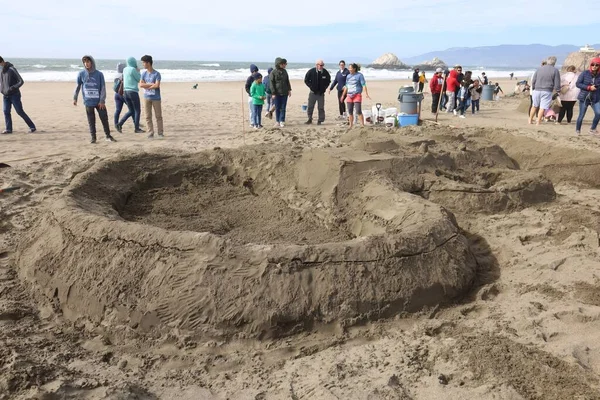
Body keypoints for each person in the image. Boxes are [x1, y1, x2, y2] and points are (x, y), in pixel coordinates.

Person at [73, 55, 116, 143]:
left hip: (99, 102)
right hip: (88, 102)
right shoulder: (81, 74)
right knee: (91, 121)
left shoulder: (99, 74)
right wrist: (75, 98)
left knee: (104, 118)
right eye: (85, 62)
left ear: (92, 62)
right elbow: (78, 86)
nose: (86, 64)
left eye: (88, 62)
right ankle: (93, 138)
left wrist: (102, 101)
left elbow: (103, 87)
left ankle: (108, 136)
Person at [0, 56, 36, 134]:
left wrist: (12, 88)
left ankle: (32, 127)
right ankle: (8, 129)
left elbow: (21, 81)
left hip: (14, 95)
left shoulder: (12, 69)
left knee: (19, 111)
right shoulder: (2, 70)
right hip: (5, 95)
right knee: (6, 111)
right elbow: (2, 82)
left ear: (1, 61)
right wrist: (2, 90)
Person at [529, 56, 560, 125]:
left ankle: (530, 120)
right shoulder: (555, 70)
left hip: (537, 89)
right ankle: (538, 121)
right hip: (547, 90)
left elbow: (534, 80)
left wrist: (534, 87)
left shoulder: (539, 69)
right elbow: (557, 83)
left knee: (534, 105)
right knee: (542, 107)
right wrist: (557, 90)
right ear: (554, 62)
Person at [117, 57, 144, 133]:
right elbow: (139, 79)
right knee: (137, 110)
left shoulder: (125, 69)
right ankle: (136, 128)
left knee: (131, 110)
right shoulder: (133, 69)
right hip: (133, 92)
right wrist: (138, 71)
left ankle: (120, 124)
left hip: (125, 92)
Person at [140, 55, 164, 138]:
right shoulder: (143, 74)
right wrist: (151, 85)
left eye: (144, 62)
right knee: (147, 116)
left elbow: (157, 85)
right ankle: (150, 132)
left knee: (158, 116)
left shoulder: (156, 74)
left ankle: (160, 133)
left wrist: (147, 85)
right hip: (146, 97)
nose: (143, 64)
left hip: (156, 98)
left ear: (148, 63)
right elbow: (141, 84)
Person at [575, 57, 600, 135]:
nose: (594, 66)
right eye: (593, 64)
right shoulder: (585, 73)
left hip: (595, 98)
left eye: (597, 65)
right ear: (590, 65)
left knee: (598, 113)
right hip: (584, 98)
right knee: (581, 115)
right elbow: (578, 83)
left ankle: (592, 129)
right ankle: (577, 130)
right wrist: (588, 87)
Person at [341, 63, 370, 128]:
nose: (349, 69)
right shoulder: (348, 76)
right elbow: (346, 86)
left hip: (357, 95)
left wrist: (366, 94)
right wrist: (343, 95)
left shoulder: (360, 75)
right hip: (349, 95)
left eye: (350, 68)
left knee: (358, 111)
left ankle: (362, 125)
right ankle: (351, 125)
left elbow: (364, 85)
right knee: (350, 111)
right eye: (349, 68)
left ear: (354, 69)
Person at [304, 59, 331, 125]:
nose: (321, 66)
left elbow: (328, 81)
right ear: (317, 65)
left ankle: (320, 120)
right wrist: (311, 86)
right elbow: (306, 80)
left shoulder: (325, 72)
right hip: (313, 93)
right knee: (310, 107)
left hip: (321, 93)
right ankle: (309, 119)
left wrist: (324, 88)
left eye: (322, 65)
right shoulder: (311, 71)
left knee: (321, 107)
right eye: (320, 65)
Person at [269, 57, 292, 128]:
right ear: (279, 64)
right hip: (277, 93)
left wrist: (289, 90)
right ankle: (277, 121)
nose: (285, 65)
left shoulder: (285, 71)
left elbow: (287, 81)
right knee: (277, 107)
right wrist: (273, 93)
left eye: (285, 64)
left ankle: (282, 120)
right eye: (284, 64)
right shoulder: (273, 72)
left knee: (283, 107)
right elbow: (271, 83)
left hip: (284, 92)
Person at [113, 63, 127, 131]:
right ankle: (136, 123)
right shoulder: (123, 75)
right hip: (123, 94)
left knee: (118, 110)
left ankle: (116, 123)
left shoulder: (116, 75)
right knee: (132, 109)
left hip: (116, 94)